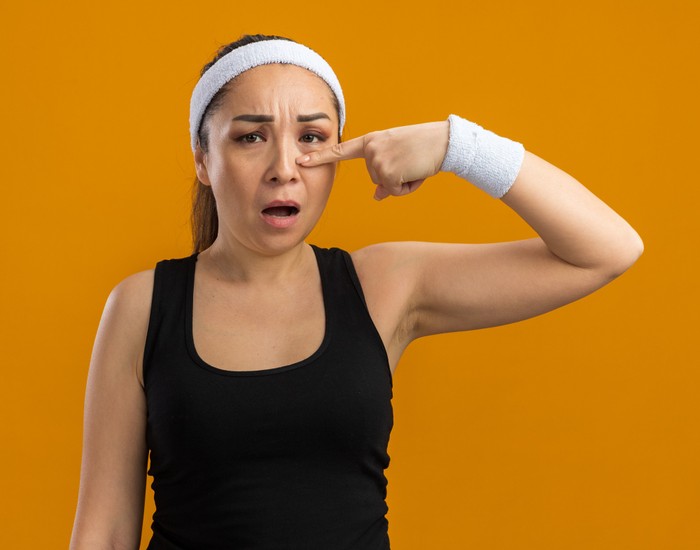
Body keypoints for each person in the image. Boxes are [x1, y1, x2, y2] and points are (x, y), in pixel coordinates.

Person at [69, 33, 643, 550]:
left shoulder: (383, 286)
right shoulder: (142, 307)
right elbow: (104, 533)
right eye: (251, 137)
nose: (284, 167)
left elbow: (607, 249)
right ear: (203, 160)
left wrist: (457, 144)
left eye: (312, 137)